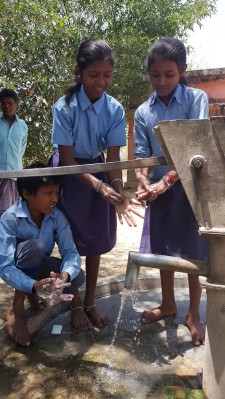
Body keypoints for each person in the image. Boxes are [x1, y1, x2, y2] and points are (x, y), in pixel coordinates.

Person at [51, 39, 143, 331]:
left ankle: (90, 301)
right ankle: (75, 304)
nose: (101, 82)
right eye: (94, 75)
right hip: (69, 175)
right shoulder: (64, 108)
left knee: (94, 241)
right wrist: (100, 187)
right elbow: (67, 159)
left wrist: (116, 189)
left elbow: (114, 158)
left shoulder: (114, 109)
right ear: (79, 73)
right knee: (71, 243)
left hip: (98, 170)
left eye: (107, 75)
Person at [134, 37, 209, 346]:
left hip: (191, 188)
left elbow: (196, 147)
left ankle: (193, 312)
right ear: (148, 73)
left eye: (169, 74)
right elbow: (141, 156)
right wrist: (142, 181)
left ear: (182, 71)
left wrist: (164, 183)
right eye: (155, 75)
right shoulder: (143, 111)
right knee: (162, 250)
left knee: (193, 253)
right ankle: (168, 304)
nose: (161, 81)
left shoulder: (196, 99)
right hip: (159, 192)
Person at [0, 162, 85, 346]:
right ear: (26, 193)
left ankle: (34, 292)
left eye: (56, 192)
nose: (54, 199)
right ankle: (17, 308)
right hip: (20, 267)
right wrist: (34, 284)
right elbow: (5, 266)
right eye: (48, 193)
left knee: (76, 278)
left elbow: (70, 252)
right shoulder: (10, 218)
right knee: (35, 248)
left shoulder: (56, 216)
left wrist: (64, 275)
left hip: (39, 266)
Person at [0, 88, 28, 216]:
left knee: (9, 216)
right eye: (3, 103)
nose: (7, 106)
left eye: (10, 103)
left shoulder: (23, 126)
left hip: (13, 177)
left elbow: (21, 151)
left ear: (17, 103)